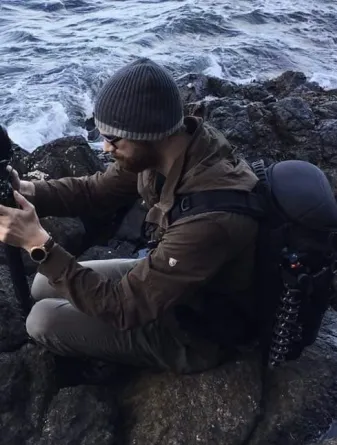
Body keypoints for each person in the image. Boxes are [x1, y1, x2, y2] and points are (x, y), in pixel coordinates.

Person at [0, 58, 259, 374]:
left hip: (198, 329)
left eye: (113, 139)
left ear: (148, 133)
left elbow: (123, 307)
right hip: (177, 278)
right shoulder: (175, 145)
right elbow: (95, 191)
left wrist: (39, 244)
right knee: (43, 283)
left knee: (42, 320)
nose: (105, 148)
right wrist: (27, 191)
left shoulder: (209, 220)